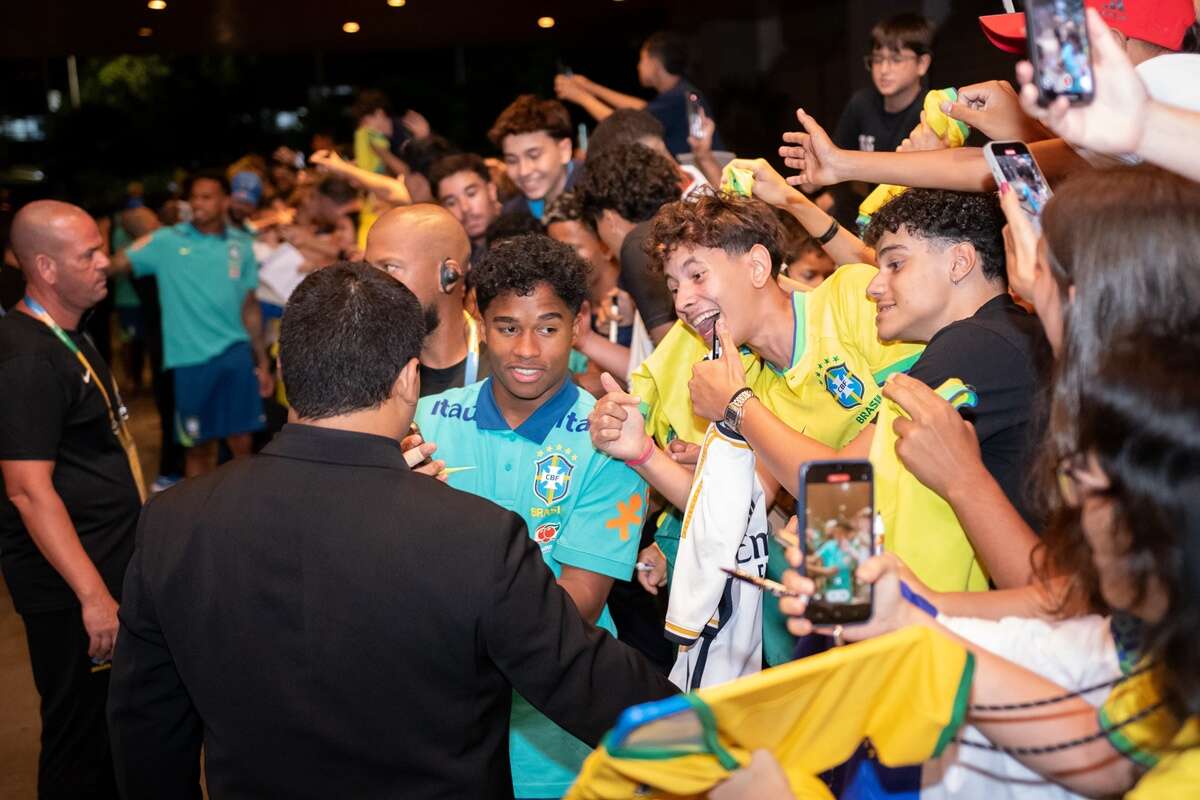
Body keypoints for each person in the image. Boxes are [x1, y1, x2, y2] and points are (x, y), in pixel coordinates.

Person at [107, 261, 676, 799]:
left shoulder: (173, 520)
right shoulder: (472, 534)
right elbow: (588, 683)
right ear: (410, 379)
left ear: (284, 370)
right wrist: (727, 744)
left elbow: (148, 729)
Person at [782, 332, 1200, 799]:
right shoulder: (1170, 655)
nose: (1073, 508)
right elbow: (1104, 753)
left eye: (1081, 479)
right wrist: (909, 617)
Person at [687, 188, 1050, 589]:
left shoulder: (977, 344)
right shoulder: (986, 339)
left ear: (960, 262)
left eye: (896, 263)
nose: (874, 286)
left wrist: (736, 404)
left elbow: (843, 488)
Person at [414, 235, 651, 799]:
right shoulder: (425, 423)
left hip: (559, 732)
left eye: (548, 327)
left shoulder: (608, 439)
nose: (526, 349)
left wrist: (454, 633)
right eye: (506, 326)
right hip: (440, 723)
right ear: (477, 318)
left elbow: (582, 602)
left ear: (579, 323)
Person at [0, 201, 144, 799]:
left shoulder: (68, 335)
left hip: (104, 571)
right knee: (80, 741)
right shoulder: (27, 358)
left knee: (112, 734)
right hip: (73, 593)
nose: (104, 262)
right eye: (88, 254)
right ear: (46, 268)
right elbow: (29, 492)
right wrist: (94, 597)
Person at [110, 171, 271, 477]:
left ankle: (242, 513)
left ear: (225, 200)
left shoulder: (241, 244)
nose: (198, 203)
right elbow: (114, 265)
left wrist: (261, 362)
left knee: (242, 443)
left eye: (207, 196)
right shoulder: (167, 241)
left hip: (235, 356)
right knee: (198, 447)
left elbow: (250, 307)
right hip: (189, 361)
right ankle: (197, 515)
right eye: (194, 196)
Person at [363, 204, 484, 397]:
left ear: (448, 275)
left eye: (389, 267)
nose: (370, 282)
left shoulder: (507, 372)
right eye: (368, 268)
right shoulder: (361, 369)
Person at [575, 143, 686, 345]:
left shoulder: (637, 245)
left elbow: (673, 353)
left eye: (597, 225)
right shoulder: (686, 225)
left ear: (609, 219)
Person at [555, 31, 724, 157]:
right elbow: (641, 109)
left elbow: (627, 125)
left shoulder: (678, 98)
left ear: (655, 63)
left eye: (642, 59)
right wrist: (589, 86)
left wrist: (581, 97)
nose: (638, 66)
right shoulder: (681, 92)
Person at [488, 95, 579, 221]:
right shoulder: (512, 216)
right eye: (512, 160)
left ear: (564, 150)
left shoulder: (599, 194)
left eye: (533, 156)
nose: (523, 171)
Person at [586, 108, 720, 193]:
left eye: (663, 151)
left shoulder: (688, 174)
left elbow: (731, 203)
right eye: (652, 161)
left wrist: (704, 156)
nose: (667, 163)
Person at [429, 152, 502, 265]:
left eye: (471, 194)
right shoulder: (451, 262)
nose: (464, 208)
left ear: (491, 191)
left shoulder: (526, 229)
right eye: (451, 202)